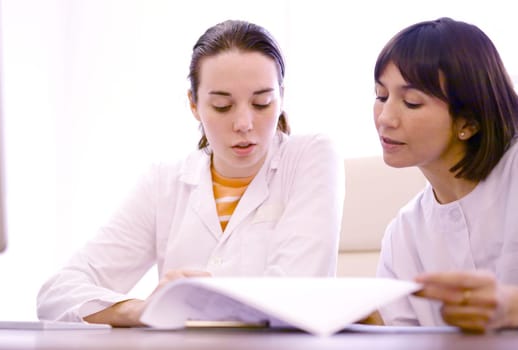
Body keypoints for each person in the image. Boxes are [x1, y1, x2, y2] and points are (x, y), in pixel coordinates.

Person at [37, 19, 344, 327]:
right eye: (223, 106)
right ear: (194, 105)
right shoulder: (164, 183)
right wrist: (142, 310)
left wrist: (189, 305)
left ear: (281, 98)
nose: (244, 123)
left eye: (261, 102)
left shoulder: (311, 157)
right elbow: (57, 294)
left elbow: (294, 299)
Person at [372, 17, 518, 332]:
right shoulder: (405, 231)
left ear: (468, 122)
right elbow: (401, 334)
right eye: (381, 96)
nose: (385, 118)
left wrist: (512, 308)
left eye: (411, 102)